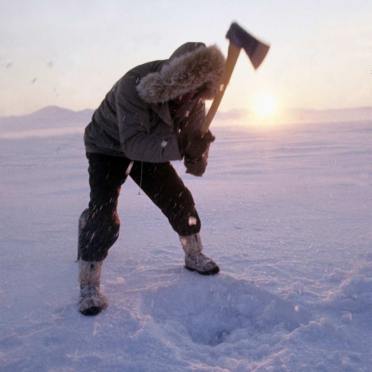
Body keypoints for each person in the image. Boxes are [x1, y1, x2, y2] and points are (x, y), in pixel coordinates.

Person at [77, 42, 226, 316]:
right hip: (107, 146)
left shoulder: (195, 103)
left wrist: (197, 152)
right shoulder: (134, 86)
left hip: (152, 146)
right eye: (185, 87)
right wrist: (182, 147)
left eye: (197, 89)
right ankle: (89, 282)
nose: (189, 95)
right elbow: (133, 144)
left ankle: (193, 253)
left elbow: (191, 153)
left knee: (179, 199)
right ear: (173, 78)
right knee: (103, 216)